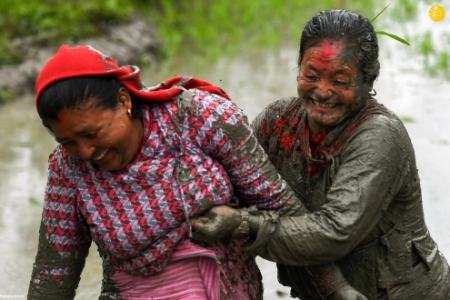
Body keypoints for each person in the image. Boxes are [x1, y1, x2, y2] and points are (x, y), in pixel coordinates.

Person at [27, 44, 364, 299]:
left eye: (92, 133)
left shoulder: (199, 118)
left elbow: (278, 205)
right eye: (67, 141)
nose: (85, 152)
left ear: (124, 101)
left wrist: (335, 290)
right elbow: (55, 271)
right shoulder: (67, 169)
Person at [192, 9, 450, 300]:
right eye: (311, 75)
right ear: (299, 68)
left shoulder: (379, 136)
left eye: (340, 81)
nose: (322, 91)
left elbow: (334, 232)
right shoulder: (278, 120)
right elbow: (232, 178)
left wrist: (241, 224)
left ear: (368, 80)